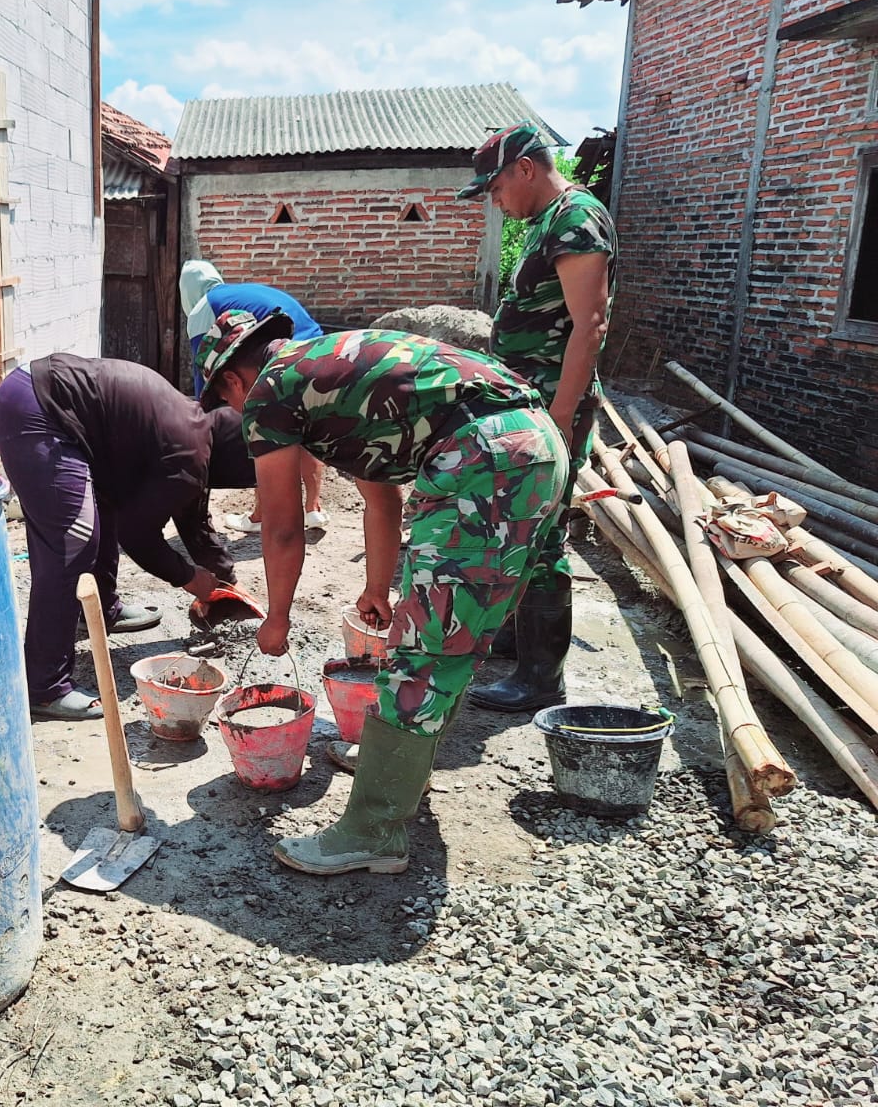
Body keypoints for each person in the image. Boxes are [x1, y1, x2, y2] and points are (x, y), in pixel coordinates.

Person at [198, 310, 568, 875]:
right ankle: (394, 772)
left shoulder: (271, 392)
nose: (238, 416)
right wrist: (377, 587)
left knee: (424, 651)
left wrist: (276, 617)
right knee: (453, 636)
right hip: (528, 447)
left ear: (233, 380)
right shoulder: (334, 376)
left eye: (227, 404)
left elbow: (280, 525)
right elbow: (381, 499)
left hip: (485, 462)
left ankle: (373, 831)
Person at [0, 353, 259, 721]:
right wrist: (189, 578)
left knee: (106, 509)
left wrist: (226, 580)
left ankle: (102, 608)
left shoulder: (198, 434)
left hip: (53, 405)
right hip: (38, 409)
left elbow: (193, 518)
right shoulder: (189, 452)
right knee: (74, 540)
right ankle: (44, 685)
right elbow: (138, 535)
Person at [455, 121, 616, 714]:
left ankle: (541, 678)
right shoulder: (549, 222)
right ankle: (520, 641)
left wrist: (559, 414)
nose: (494, 201)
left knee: (543, 532)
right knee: (518, 522)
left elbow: (590, 326)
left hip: (553, 404)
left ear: (525, 168)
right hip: (530, 398)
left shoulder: (576, 219)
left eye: (495, 188)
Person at [178, 259, 330, 534]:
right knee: (305, 431)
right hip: (313, 351)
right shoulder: (237, 293)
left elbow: (206, 370)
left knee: (264, 428)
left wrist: (203, 413)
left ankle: (261, 516)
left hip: (280, 358)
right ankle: (313, 509)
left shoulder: (203, 309)